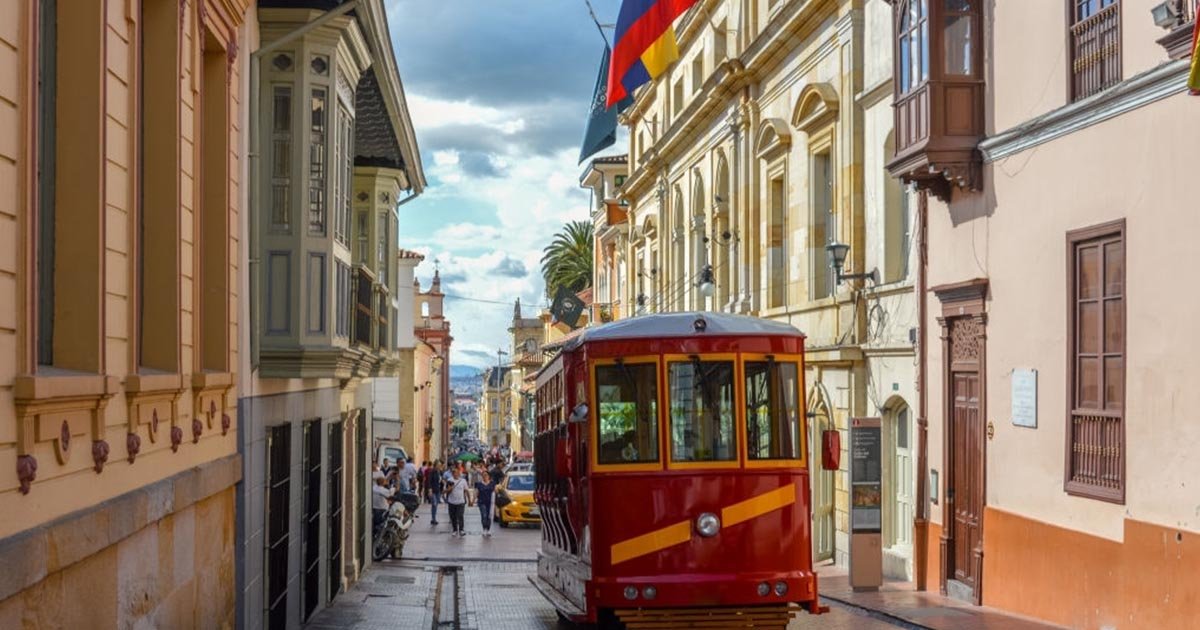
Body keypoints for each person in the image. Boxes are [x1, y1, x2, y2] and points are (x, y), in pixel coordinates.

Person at [444, 467, 469, 537]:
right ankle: (455, 529)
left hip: (461, 501)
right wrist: (449, 489)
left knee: (460, 515)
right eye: (454, 473)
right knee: (453, 517)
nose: (456, 474)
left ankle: (461, 529)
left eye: (457, 473)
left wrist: (470, 500)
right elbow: (443, 491)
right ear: (452, 474)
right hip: (451, 502)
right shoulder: (449, 480)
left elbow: (466, 490)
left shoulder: (463, 481)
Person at [474, 471, 498, 537]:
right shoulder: (479, 484)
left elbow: (496, 491)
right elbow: (476, 492)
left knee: (489, 516)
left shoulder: (492, 483)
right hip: (482, 502)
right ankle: (484, 528)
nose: (485, 476)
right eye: (483, 475)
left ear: (489, 476)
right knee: (484, 515)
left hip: (490, 503)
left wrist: (496, 489)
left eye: (486, 475)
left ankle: (488, 529)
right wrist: (473, 500)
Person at [428, 461, 444, 525]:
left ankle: (434, 518)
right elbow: (429, 481)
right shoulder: (432, 472)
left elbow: (440, 480)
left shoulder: (439, 472)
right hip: (433, 490)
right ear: (435, 465)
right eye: (439, 465)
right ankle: (433, 519)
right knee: (434, 504)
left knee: (435, 505)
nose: (440, 466)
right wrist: (430, 489)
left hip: (438, 490)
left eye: (440, 465)